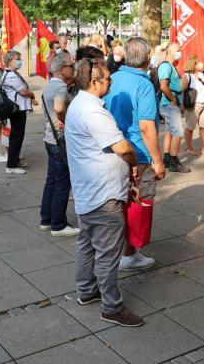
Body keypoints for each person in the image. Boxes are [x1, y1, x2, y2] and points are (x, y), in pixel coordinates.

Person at [66, 59, 143, 327]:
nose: (110, 82)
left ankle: (86, 290)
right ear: (95, 82)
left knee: (87, 244)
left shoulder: (82, 104)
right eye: (107, 79)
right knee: (108, 253)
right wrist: (134, 162)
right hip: (102, 193)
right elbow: (122, 147)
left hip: (90, 190)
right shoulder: (93, 111)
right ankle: (111, 306)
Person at [105, 37, 166, 271]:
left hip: (115, 150)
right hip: (138, 153)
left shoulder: (114, 77)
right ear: (148, 58)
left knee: (120, 202)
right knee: (138, 203)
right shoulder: (144, 85)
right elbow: (146, 126)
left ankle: (120, 250)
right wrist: (158, 161)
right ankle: (130, 253)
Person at [40, 51, 79, 236]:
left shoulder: (49, 86)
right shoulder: (61, 87)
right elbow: (58, 108)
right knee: (63, 182)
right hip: (60, 139)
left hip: (50, 138)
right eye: (71, 66)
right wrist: (65, 119)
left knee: (52, 180)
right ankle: (58, 224)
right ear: (62, 69)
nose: (73, 69)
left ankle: (46, 218)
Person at [2, 50, 37, 174]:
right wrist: (32, 95)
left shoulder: (12, 73)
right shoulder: (11, 75)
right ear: (9, 61)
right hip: (17, 109)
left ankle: (15, 160)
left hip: (18, 108)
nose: (19, 61)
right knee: (16, 137)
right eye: (17, 59)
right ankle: (11, 166)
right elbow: (23, 91)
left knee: (17, 136)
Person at [157, 42, 190, 173]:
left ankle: (166, 158)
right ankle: (174, 162)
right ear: (170, 51)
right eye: (178, 50)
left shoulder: (170, 66)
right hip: (169, 104)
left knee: (170, 132)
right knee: (178, 133)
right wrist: (174, 99)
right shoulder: (166, 66)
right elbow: (163, 86)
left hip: (171, 103)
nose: (179, 52)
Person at [181, 56, 202, 156]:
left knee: (194, 126)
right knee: (190, 127)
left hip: (198, 104)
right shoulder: (186, 76)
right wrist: (181, 105)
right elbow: (181, 91)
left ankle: (190, 146)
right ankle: (189, 147)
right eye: (197, 63)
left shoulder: (198, 75)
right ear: (193, 65)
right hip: (191, 106)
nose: (199, 64)